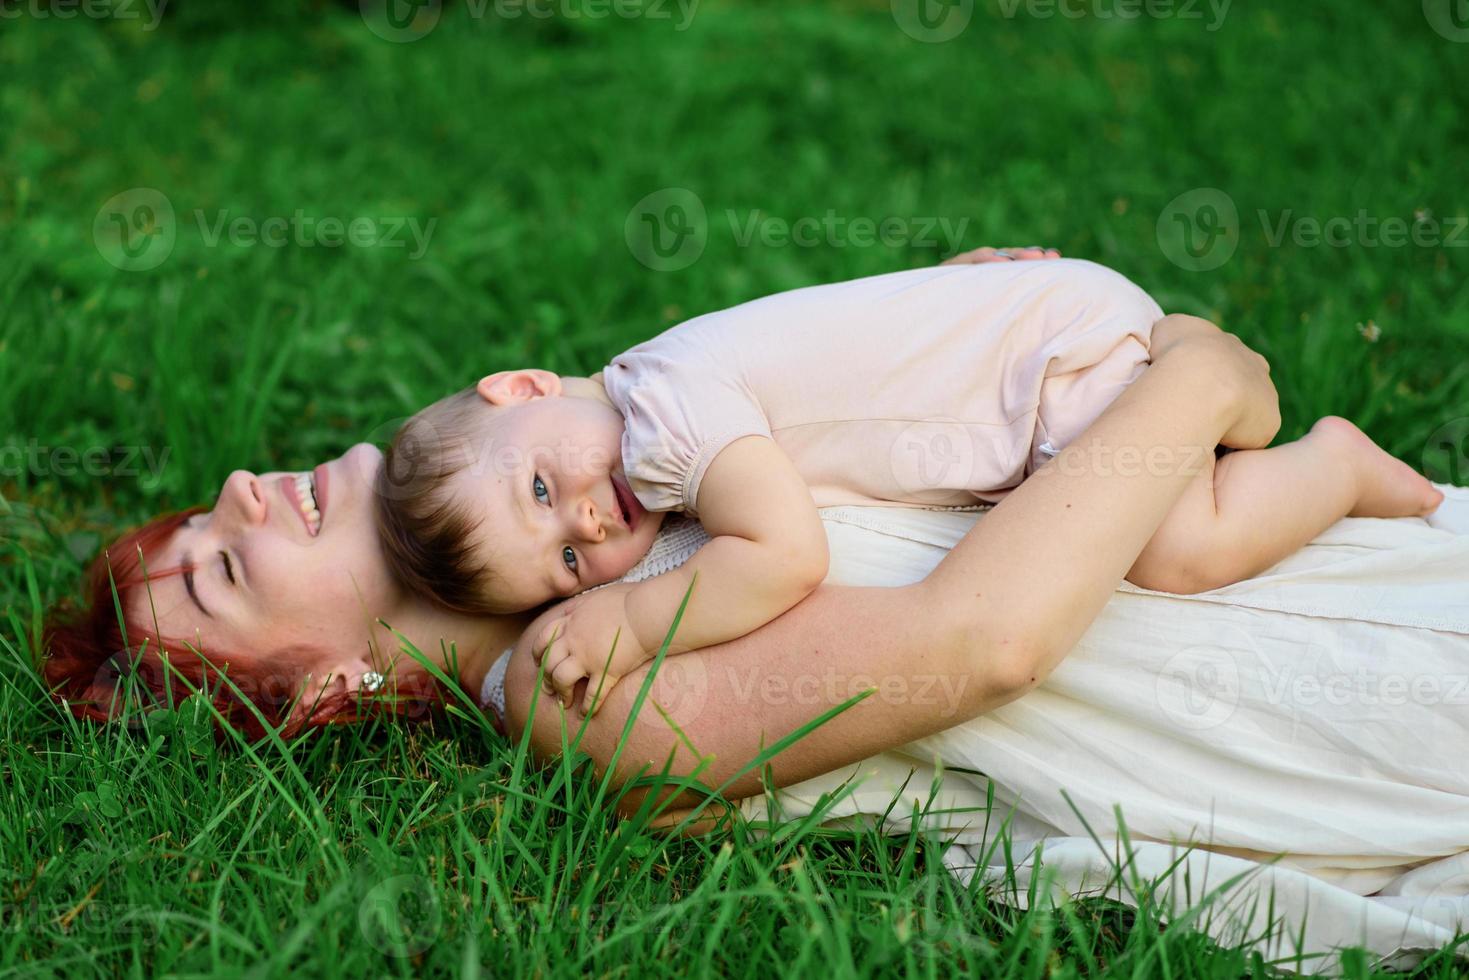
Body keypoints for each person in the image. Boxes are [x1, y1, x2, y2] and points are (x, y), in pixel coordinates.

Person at [39, 250, 1467, 971]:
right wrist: (1197, 376)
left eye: (208, 519)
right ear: (328, 692)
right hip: (1313, 694)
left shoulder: (611, 479)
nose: (239, 487)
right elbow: (981, 642)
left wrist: (995, 339)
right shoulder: (573, 694)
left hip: (1319, 577)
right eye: (221, 570)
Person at [373, 258, 1442, 714]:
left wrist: (634, 618)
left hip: (1046, 370)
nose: (593, 519)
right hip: (1031, 331)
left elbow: (786, 556)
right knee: (1168, 502)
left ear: (521, 387)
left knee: (1176, 547)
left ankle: (1328, 457)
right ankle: (1209, 378)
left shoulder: (661, 422)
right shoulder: (659, 381)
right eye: (569, 560)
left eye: (542, 489)